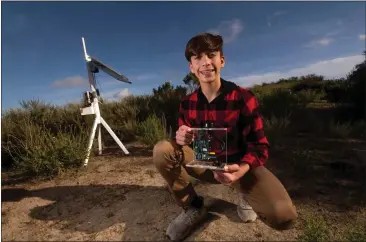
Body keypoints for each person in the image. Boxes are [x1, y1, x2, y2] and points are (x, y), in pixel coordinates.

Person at [152, 32, 298, 241]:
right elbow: (185, 139)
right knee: (163, 150)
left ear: (222, 60)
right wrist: (181, 137)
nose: (205, 63)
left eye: (211, 55)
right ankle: (193, 207)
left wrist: (242, 170)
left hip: (238, 167)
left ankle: (245, 193)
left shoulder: (243, 97)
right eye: (198, 58)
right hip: (206, 162)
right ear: (191, 67)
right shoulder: (187, 103)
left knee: (283, 216)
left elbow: (260, 146)